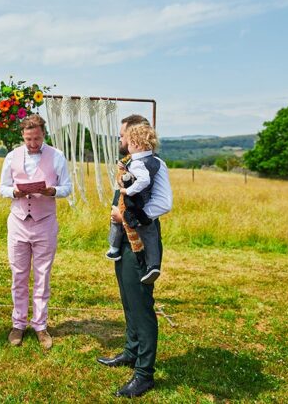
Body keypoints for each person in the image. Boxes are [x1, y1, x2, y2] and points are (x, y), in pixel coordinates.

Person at [97, 115, 172, 398]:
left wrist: (127, 215)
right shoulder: (130, 164)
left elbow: (164, 203)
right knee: (128, 299)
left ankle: (144, 374)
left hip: (141, 241)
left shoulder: (155, 165)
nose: (119, 141)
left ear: (134, 136)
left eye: (121, 136)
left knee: (141, 305)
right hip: (124, 240)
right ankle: (131, 351)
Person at [0, 114, 72, 350]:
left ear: (44, 134)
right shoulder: (11, 157)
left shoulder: (57, 156)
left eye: (37, 138)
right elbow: (2, 188)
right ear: (22, 135)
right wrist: (14, 193)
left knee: (42, 275)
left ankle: (40, 325)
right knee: (18, 274)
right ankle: (18, 324)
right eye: (29, 139)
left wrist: (52, 191)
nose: (33, 143)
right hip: (18, 221)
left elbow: (67, 187)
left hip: (45, 222)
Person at [104, 123, 163, 284]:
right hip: (140, 206)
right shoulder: (153, 161)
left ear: (136, 144)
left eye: (127, 141)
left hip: (135, 205)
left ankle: (116, 249)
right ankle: (153, 265)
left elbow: (142, 180)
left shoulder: (138, 162)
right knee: (149, 235)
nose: (123, 143)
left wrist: (128, 191)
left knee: (138, 233)